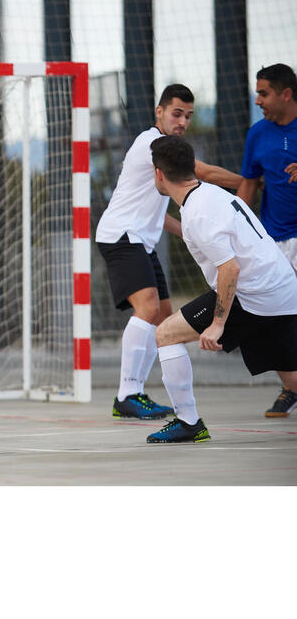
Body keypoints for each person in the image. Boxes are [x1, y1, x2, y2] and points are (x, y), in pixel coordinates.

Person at [95, 83, 242, 420]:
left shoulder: (162, 153)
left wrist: (185, 231)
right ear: (158, 112)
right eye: (177, 113)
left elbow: (156, 213)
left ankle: (138, 394)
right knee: (146, 309)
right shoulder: (150, 142)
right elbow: (200, 173)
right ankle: (128, 394)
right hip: (121, 236)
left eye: (188, 116)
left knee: (162, 315)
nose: (183, 122)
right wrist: (251, 181)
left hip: (140, 241)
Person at [144, 135, 297, 442]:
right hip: (283, 290)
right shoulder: (210, 195)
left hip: (254, 294)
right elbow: (203, 237)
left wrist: (217, 324)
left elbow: (230, 268)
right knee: (290, 373)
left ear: (158, 173)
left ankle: (188, 422)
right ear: (193, 169)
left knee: (165, 334)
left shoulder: (199, 212)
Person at [236, 63, 297, 419]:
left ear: (285, 93)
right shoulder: (257, 134)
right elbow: (248, 184)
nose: (258, 100)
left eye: (264, 93)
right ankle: (290, 387)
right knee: (272, 316)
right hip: (273, 241)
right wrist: (237, 228)